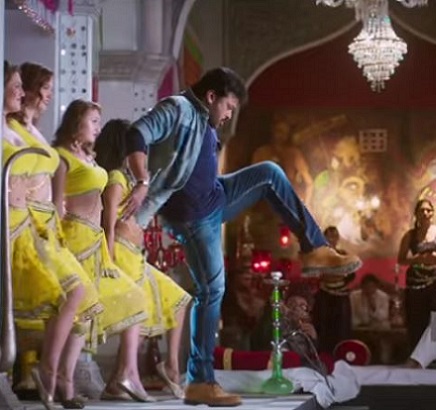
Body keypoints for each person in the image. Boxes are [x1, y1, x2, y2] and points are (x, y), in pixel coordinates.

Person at [121, 67, 361, 406]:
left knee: (269, 173)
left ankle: (315, 248)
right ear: (211, 96)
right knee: (212, 290)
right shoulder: (177, 108)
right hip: (193, 217)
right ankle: (200, 381)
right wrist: (142, 181)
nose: (229, 115)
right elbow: (137, 133)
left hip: (216, 197)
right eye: (229, 107)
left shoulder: (206, 119)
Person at [6, 61, 104, 409]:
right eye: (42, 88)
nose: (46, 95)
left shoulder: (29, 129)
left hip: (44, 225)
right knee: (69, 294)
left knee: (81, 296)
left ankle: (55, 373)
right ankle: (46, 372)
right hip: (21, 225)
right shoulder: (10, 128)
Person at [52, 100, 155, 403]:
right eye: (93, 121)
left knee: (92, 311)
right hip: (75, 237)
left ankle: (69, 378)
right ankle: (60, 378)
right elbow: (57, 205)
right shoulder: (61, 156)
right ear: (76, 123)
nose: (98, 127)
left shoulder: (89, 157)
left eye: (99, 122)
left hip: (93, 241)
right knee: (79, 309)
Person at [94, 118, 192, 399]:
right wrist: (109, 262)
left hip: (134, 255)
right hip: (122, 255)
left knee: (178, 300)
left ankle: (164, 368)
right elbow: (107, 225)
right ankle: (126, 376)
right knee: (142, 311)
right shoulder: (115, 178)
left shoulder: (126, 179)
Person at [397, 199, 436, 347]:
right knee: (418, 318)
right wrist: (416, 259)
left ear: (433, 213)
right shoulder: (410, 235)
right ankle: (419, 352)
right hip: (416, 280)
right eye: (422, 210)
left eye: (428, 210)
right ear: (416, 214)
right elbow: (401, 260)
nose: (425, 213)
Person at [313, 226, 354, 352]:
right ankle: (323, 353)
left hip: (341, 293)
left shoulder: (343, 254)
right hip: (325, 293)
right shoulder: (319, 255)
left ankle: (342, 352)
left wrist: (341, 278)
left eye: (334, 236)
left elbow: (352, 273)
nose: (332, 239)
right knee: (324, 325)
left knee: (341, 326)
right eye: (329, 236)